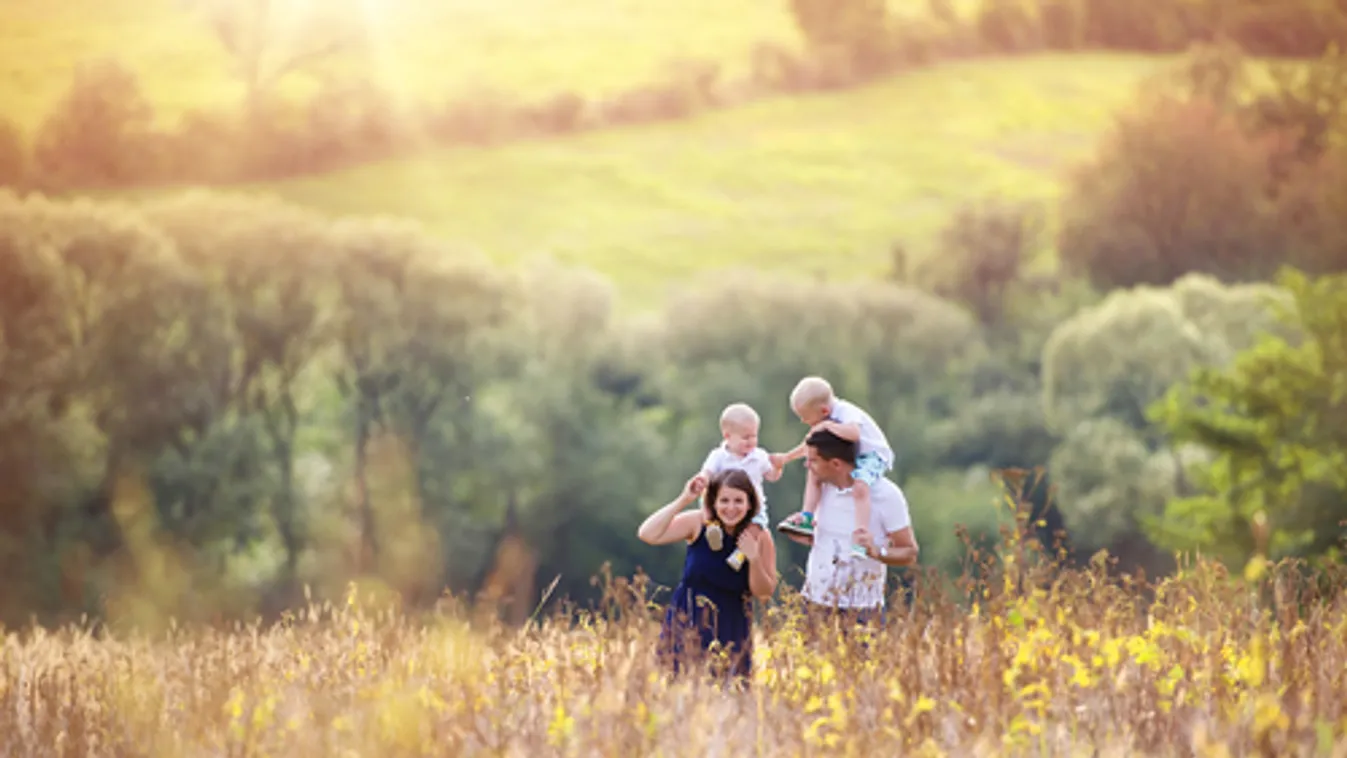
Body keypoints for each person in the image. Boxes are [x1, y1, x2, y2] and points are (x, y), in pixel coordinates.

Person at [638, 468, 778, 682]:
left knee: (728, 694)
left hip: (732, 626)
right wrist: (684, 499)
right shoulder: (698, 523)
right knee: (679, 689)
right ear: (713, 502)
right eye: (724, 501)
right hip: (687, 620)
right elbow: (648, 534)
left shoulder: (759, 536)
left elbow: (764, 592)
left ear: (750, 504)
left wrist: (754, 558)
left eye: (739, 501)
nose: (731, 508)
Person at [779, 428, 918, 631]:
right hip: (814, 604)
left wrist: (877, 552)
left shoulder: (886, 495)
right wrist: (803, 533)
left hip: (863, 609)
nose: (807, 466)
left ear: (835, 464)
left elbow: (909, 552)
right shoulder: (820, 491)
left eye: (813, 461)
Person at [774, 376, 895, 560]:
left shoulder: (845, 412)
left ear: (824, 410)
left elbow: (854, 434)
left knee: (860, 486)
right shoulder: (825, 419)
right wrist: (786, 458)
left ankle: (860, 535)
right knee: (814, 470)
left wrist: (829, 426)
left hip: (871, 455)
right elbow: (809, 444)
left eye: (805, 417)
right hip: (850, 454)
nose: (803, 421)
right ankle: (807, 516)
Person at [698, 403, 783, 568]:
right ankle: (712, 528)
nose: (751, 441)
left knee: (757, 526)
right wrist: (702, 480)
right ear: (728, 436)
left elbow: (772, 476)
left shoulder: (759, 456)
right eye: (745, 437)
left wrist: (778, 466)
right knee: (705, 502)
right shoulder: (718, 456)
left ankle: (740, 554)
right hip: (721, 502)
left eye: (754, 436)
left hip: (752, 505)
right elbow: (706, 473)